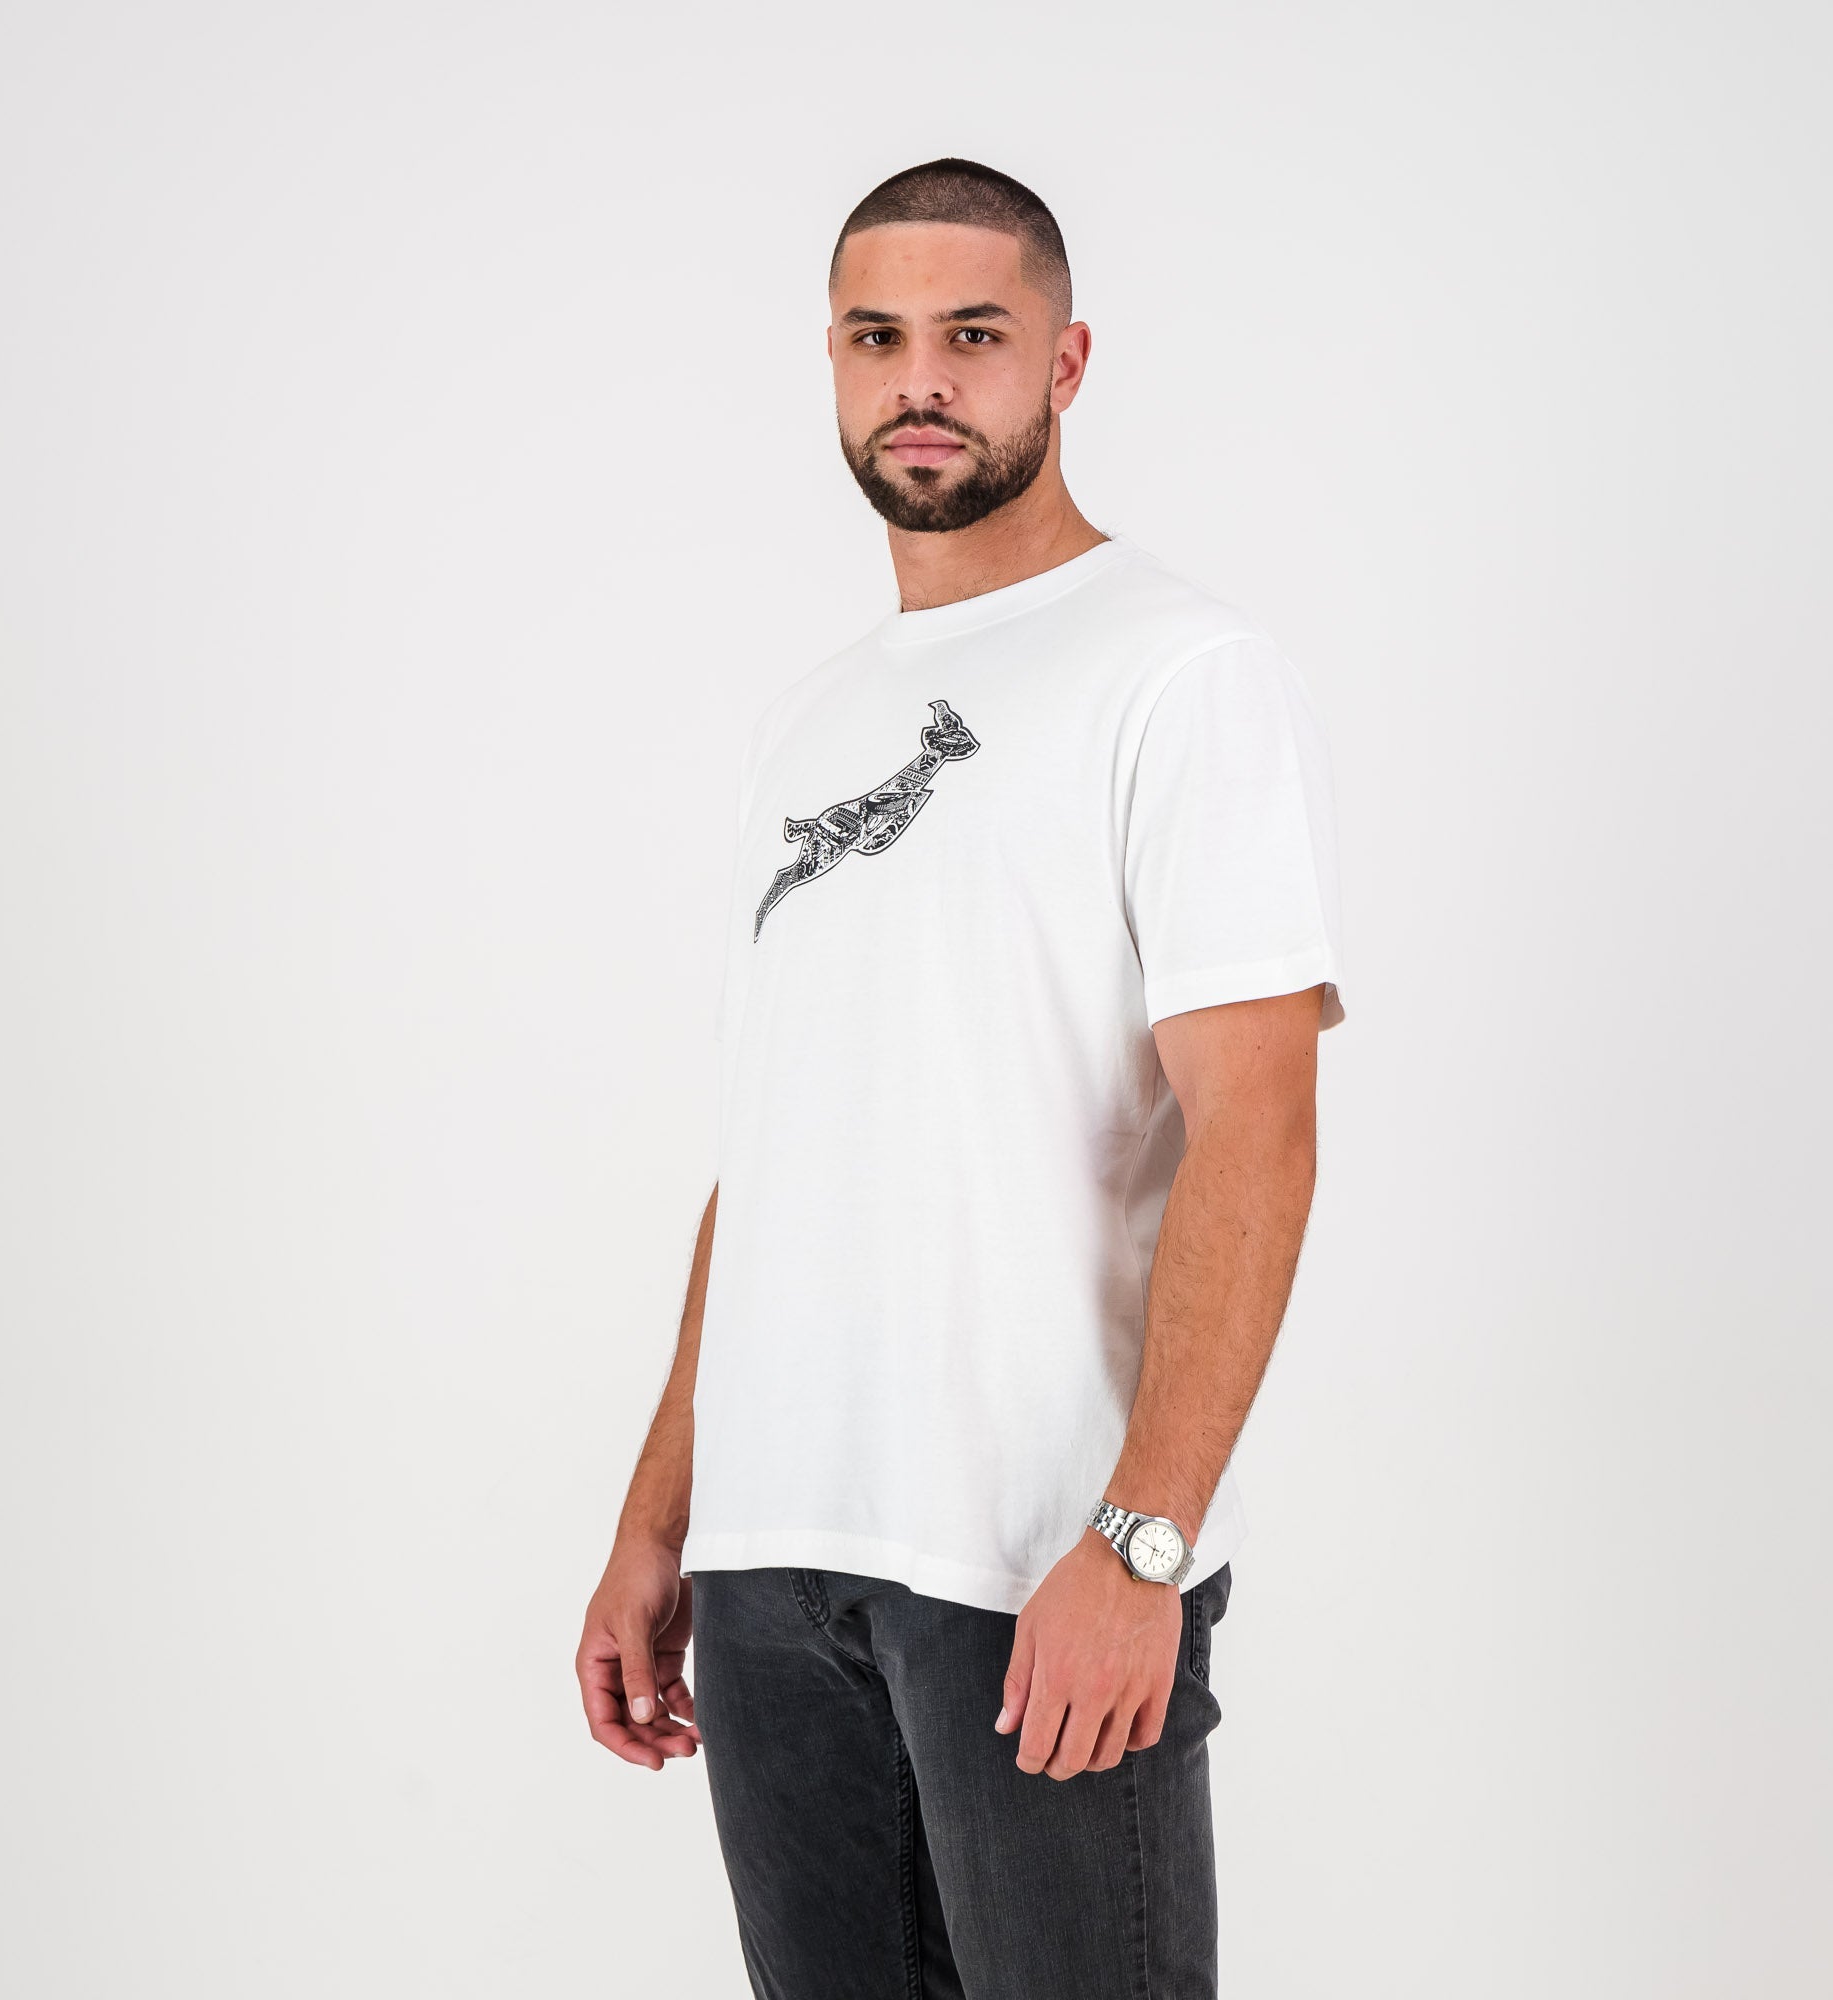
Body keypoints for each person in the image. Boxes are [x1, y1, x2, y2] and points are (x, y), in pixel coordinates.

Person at [576, 157, 1348, 1999]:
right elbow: (771, 1153)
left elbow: (1257, 1127)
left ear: (1064, 363)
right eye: (877, 337)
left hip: (1034, 1559)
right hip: (773, 1570)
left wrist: (1140, 1543)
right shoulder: (808, 721)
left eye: (973, 335)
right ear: (834, 365)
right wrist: (663, 1515)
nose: (920, 378)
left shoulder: (1181, 670)